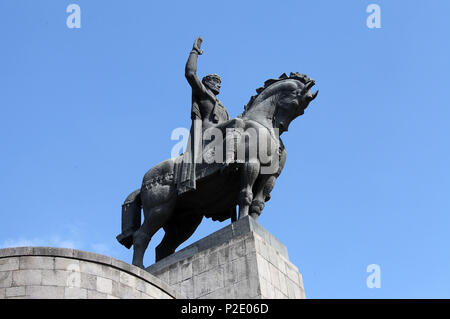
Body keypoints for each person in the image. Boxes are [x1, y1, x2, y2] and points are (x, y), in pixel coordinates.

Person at [175, 37, 244, 195]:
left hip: (218, 134)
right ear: (206, 83)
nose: (218, 84)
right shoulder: (204, 94)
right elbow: (190, 74)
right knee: (237, 123)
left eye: (219, 82)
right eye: (214, 81)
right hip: (207, 135)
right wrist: (195, 52)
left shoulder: (222, 107)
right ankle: (228, 160)